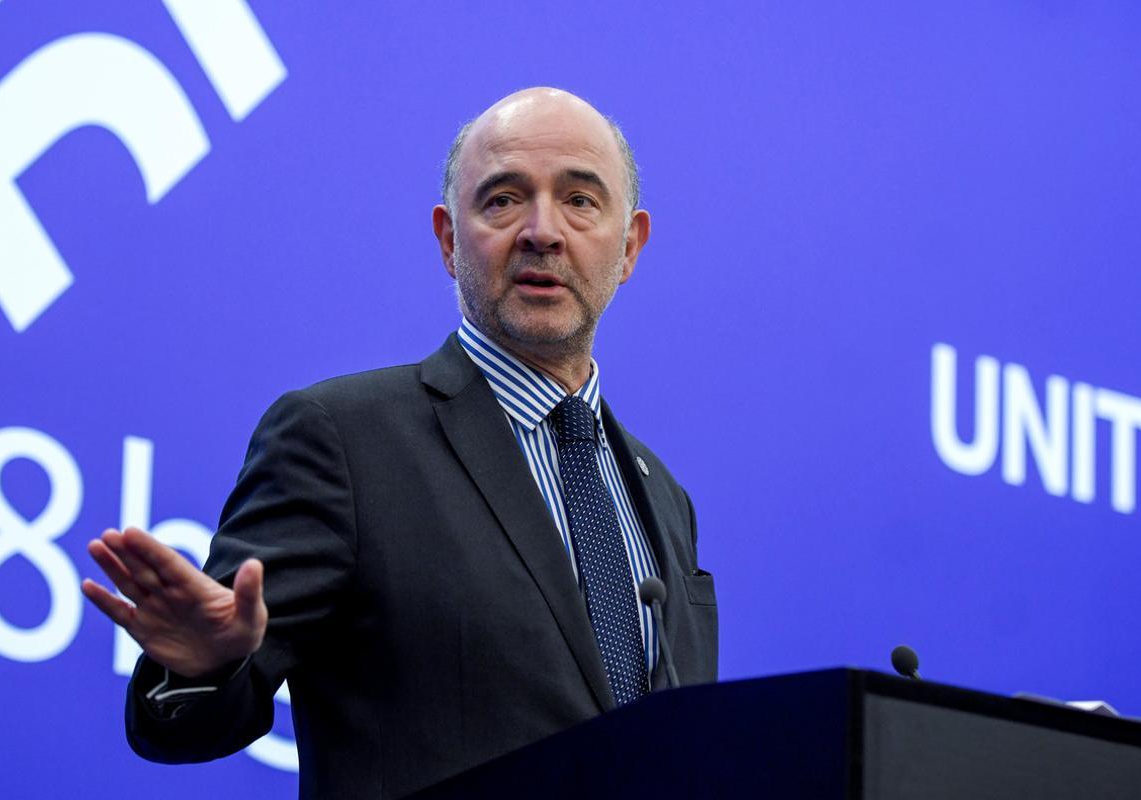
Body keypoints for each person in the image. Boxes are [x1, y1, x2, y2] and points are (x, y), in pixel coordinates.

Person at [82, 87, 717, 799]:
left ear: (629, 246)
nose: (542, 230)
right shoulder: (340, 441)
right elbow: (193, 723)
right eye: (504, 199)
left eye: (579, 200)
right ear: (450, 240)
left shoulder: (661, 495)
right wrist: (204, 668)